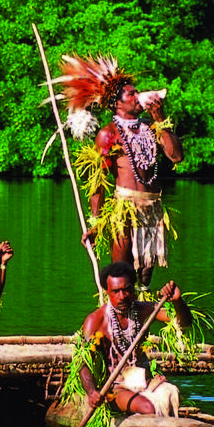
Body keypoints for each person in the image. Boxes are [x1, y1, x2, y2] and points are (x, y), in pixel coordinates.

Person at [54, 54, 183, 288]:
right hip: (123, 209)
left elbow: (176, 156)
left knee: (144, 278)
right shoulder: (108, 134)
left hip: (152, 207)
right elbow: (98, 181)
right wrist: (95, 222)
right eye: (131, 94)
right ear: (117, 103)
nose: (137, 97)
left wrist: (161, 119)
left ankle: (139, 318)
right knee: (122, 274)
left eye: (137, 92)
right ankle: (116, 319)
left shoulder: (151, 126)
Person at [77, 261, 192, 416]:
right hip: (115, 385)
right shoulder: (96, 320)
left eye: (127, 289)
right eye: (116, 291)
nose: (122, 296)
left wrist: (178, 301)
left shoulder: (144, 310)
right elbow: (83, 362)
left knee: (172, 392)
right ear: (106, 291)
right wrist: (92, 392)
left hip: (144, 380)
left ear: (133, 288)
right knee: (147, 408)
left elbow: (183, 322)